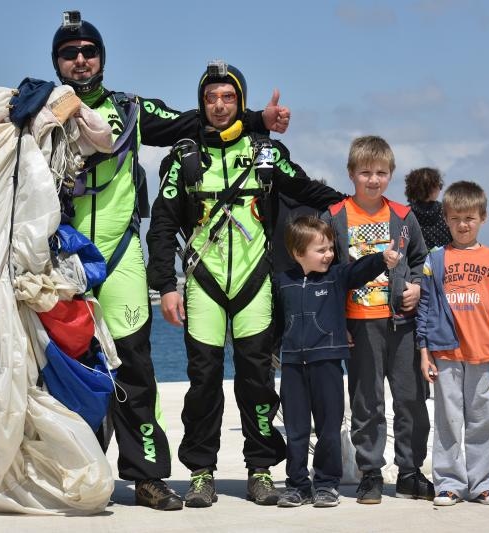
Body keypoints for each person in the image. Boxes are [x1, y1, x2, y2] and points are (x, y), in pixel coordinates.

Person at [50, 12, 290, 511]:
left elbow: (197, 120)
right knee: (68, 372)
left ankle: (147, 477)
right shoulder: (38, 114)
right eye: (69, 53)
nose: (80, 60)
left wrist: (257, 122)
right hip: (61, 265)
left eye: (88, 51)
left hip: (119, 262)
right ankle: (80, 473)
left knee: (135, 369)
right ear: (57, 62)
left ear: (101, 58)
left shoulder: (130, 111)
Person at [146, 61, 344, 508]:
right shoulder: (183, 157)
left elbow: (310, 192)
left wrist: (364, 208)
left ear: (241, 101)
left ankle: (260, 471)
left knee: (256, 381)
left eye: (228, 97)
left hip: (256, 285)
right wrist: (166, 287)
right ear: (202, 103)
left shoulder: (264, 151)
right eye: (212, 98)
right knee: (203, 382)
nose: (219, 105)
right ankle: (200, 473)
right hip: (204, 286)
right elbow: (160, 228)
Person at [321, 135, 433, 504]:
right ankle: (370, 472)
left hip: (401, 323)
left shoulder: (403, 216)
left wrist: (417, 285)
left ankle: (410, 471)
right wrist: (337, 324)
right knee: (367, 401)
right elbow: (326, 271)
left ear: (391, 175)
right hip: (358, 324)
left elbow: (421, 261)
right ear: (352, 174)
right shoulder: (335, 216)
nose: (373, 179)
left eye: (381, 173)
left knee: (411, 398)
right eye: (366, 172)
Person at [275, 216, 401, 508]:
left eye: (331, 248)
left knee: (329, 428)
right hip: (292, 365)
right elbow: (276, 322)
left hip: (328, 362)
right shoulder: (282, 281)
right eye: (321, 250)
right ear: (297, 252)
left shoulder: (336, 276)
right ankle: (297, 485)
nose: (329, 254)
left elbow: (359, 270)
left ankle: (326, 484)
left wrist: (381, 259)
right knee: (296, 430)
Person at [417, 181, 489, 506]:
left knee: (484, 421)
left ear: (483, 218)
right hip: (445, 354)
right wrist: (424, 352)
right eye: (456, 218)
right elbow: (425, 309)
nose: (463, 225)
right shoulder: (435, 260)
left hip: (484, 354)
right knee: (448, 422)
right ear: (446, 219)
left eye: (470, 218)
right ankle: (448, 484)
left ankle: (483, 484)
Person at [404, 167, 452, 250]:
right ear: (432, 188)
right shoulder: (447, 211)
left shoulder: (403, 213)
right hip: (444, 259)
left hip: (415, 261)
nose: (440, 189)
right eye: (439, 186)